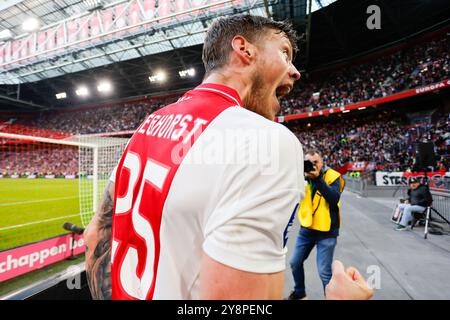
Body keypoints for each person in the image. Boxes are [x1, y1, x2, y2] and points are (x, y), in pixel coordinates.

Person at [84, 14, 373, 300]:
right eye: (285, 53)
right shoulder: (267, 140)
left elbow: (95, 236)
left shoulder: (149, 124)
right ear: (244, 49)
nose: (295, 71)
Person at [288, 149, 345, 300]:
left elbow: (334, 198)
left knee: (324, 272)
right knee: (294, 263)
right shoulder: (302, 177)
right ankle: (300, 292)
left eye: (316, 162)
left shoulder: (333, 176)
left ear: (322, 162)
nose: (313, 166)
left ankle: (331, 298)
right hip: (307, 229)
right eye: (308, 163)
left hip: (326, 232)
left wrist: (318, 178)